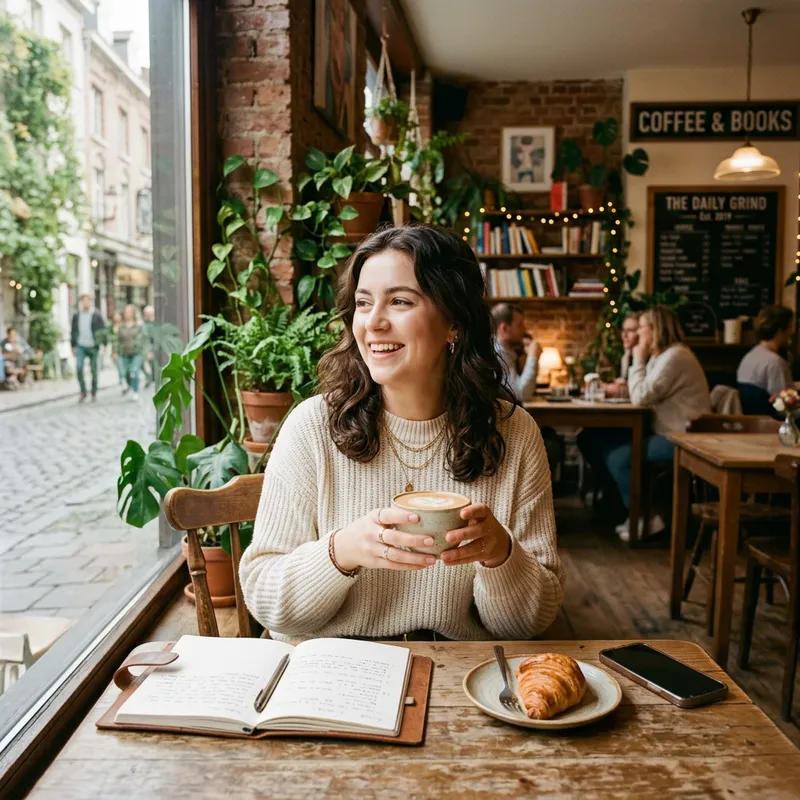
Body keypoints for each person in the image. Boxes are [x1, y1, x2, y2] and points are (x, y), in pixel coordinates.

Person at [239, 225, 564, 643]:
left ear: (454, 323)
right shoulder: (311, 427)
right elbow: (266, 600)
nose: (373, 322)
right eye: (363, 303)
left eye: (399, 301)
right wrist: (341, 552)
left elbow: (529, 623)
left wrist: (501, 555)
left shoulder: (514, 434)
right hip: (330, 667)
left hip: (456, 670)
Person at [604, 306, 710, 542]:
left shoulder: (675, 356)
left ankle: (646, 516)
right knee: (603, 442)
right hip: (666, 432)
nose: (638, 333)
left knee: (618, 458)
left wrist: (638, 359)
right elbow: (641, 391)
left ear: (656, 329)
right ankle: (635, 511)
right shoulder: (662, 357)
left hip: (683, 437)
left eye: (641, 328)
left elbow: (640, 396)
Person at [737, 305, 794, 415]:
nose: (792, 332)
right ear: (779, 332)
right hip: (771, 422)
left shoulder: (750, 356)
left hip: (752, 420)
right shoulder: (775, 362)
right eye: (790, 327)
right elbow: (784, 404)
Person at [491, 303, 542, 402]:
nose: (524, 329)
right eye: (520, 325)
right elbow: (522, 395)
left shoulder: (509, 352)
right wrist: (533, 356)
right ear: (504, 328)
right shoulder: (498, 355)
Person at [71, 294, 105, 402]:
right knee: (79, 367)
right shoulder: (77, 315)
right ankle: (83, 391)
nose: (85, 303)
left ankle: (94, 391)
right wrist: (73, 346)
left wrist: (103, 344)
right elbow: (73, 331)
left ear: (90, 302)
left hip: (93, 346)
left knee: (94, 370)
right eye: (83, 301)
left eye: (87, 301)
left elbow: (102, 330)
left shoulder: (96, 315)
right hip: (80, 345)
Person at [603, 312, 640, 398]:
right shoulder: (626, 356)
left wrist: (618, 388)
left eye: (630, 330)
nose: (624, 335)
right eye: (623, 330)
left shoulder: (648, 358)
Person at [117, 304, 147, 400]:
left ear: (133, 313)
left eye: (130, 312)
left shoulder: (139, 325)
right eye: (126, 312)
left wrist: (145, 351)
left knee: (134, 371)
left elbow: (144, 338)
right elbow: (117, 340)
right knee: (125, 372)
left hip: (137, 353)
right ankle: (130, 385)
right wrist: (116, 351)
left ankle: (135, 390)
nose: (128, 314)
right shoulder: (121, 326)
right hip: (124, 352)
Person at [142, 305, 156, 388]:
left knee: (152, 365)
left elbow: (153, 339)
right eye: (145, 313)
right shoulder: (142, 324)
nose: (146, 315)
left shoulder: (153, 324)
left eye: (148, 314)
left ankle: (151, 379)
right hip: (142, 349)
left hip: (150, 349)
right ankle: (149, 378)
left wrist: (150, 351)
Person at [109, 311, 124, 388]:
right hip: (115, 351)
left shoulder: (124, 325)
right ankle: (122, 382)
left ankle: (124, 382)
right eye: (115, 316)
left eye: (118, 316)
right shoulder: (111, 327)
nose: (116, 317)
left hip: (124, 350)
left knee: (123, 368)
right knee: (120, 368)